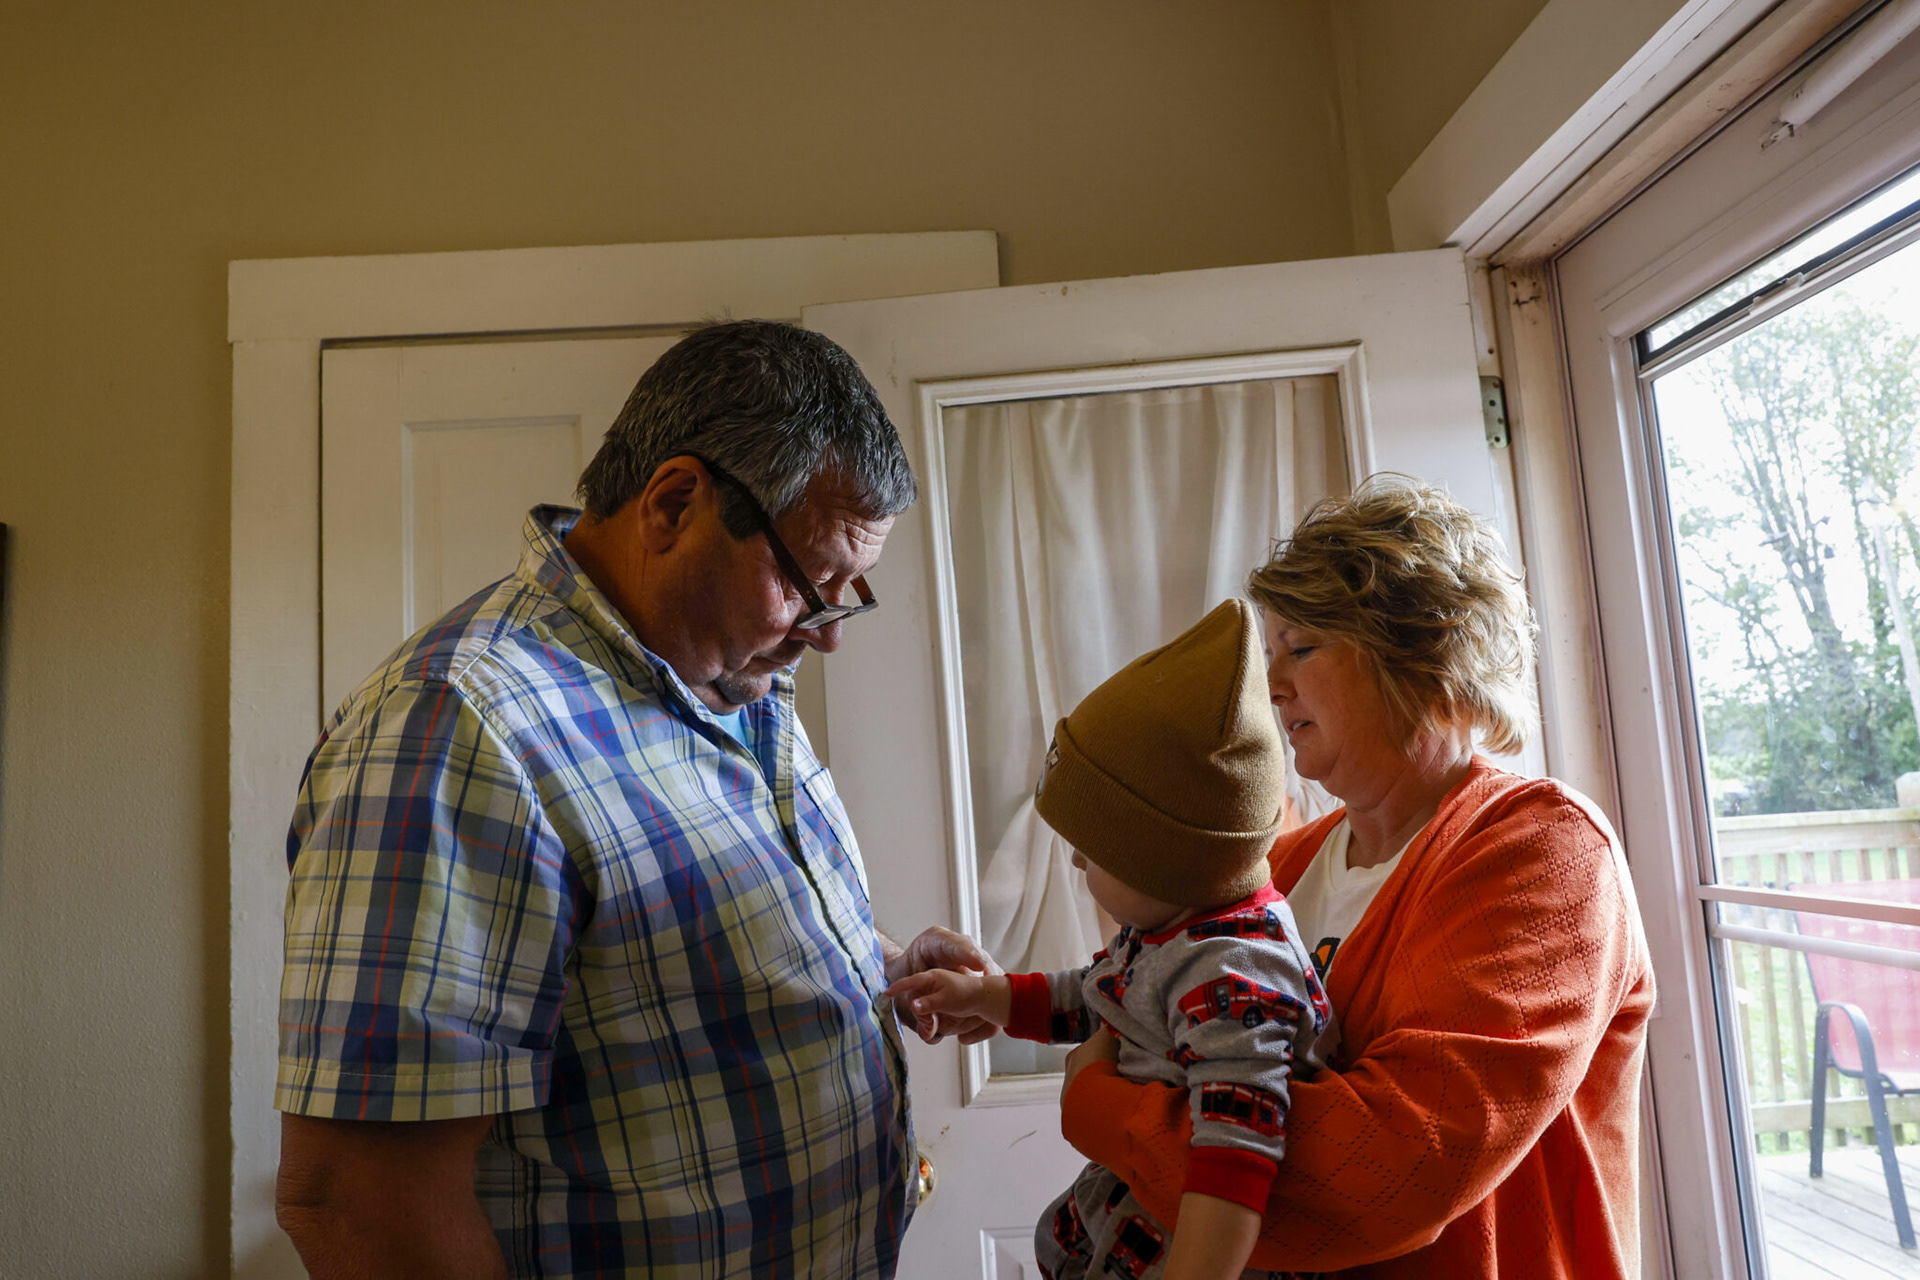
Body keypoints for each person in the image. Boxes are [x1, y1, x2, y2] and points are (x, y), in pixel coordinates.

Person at [273, 320, 998, 1280]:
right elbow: (354, 1201)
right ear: (674, 504)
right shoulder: (457, 729)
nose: (826, 633)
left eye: (847, 593)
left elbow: (661, 950)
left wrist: (880, 962)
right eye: (811, 582)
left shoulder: (735, 678)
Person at [1057, 475, 1656, 1279]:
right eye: (1271, 655)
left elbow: (1388, 1168)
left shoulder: (1544, 850)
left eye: (1301, 648)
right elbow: (1144, 1012)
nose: (1272, 687)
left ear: (1424, 652)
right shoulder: (1284, 866)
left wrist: (1102, 1108)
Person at [891, 600, 1338, 1280]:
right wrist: (986, 996)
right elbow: (1096, 994)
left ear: (1164, 860)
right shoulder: (1181, 929)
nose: (1075, 863)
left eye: (1092, 850)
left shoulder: (1237, 979)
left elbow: (1234, 1175)